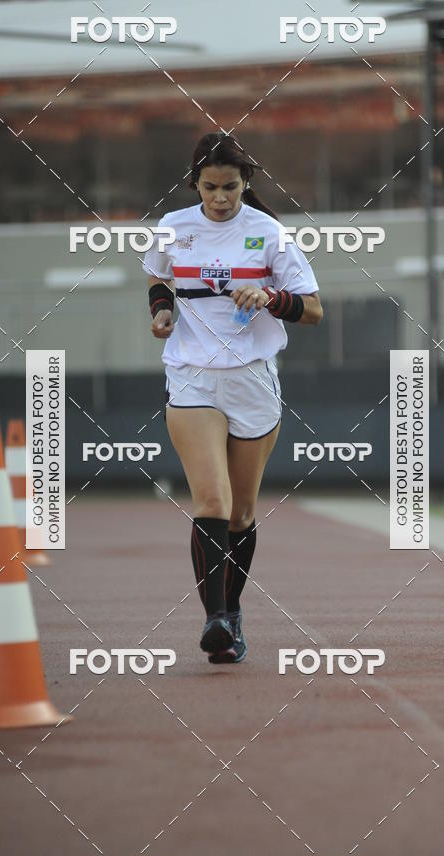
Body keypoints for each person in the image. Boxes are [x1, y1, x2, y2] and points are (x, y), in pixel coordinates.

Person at [143, 132, 322, 664]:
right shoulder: (174, 228)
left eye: (230, 187)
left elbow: (312, 310)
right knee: (213, 502)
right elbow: (158, 279)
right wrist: (161, 313)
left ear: (246, 184)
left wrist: (270, 296)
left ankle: (233, 614)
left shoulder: (269, 233)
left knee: (242, 513)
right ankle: (214, 620)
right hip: (192, 376)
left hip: (252, 379)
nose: (220, 198)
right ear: (194, 184)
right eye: (210, 187)